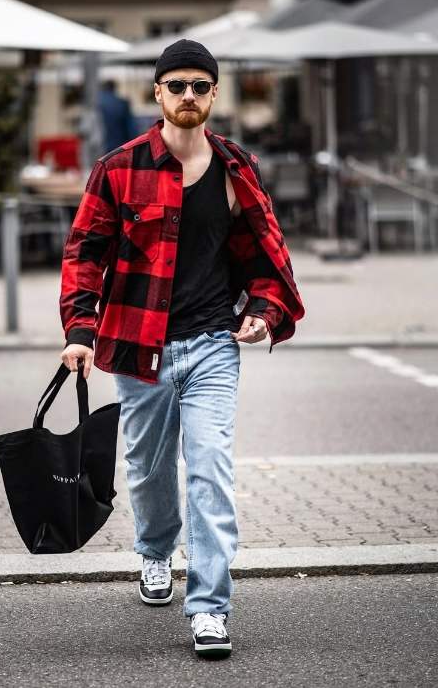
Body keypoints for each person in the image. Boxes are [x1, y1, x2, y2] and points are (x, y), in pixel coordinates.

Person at [59, 39, 305, 659]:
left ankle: (210, 608)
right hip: (139, 349)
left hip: (212, 346)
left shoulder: (236, 169)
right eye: (178, 86)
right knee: (145, 470)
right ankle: (154, 551)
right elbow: (85, 254)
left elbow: (266, 257)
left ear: (214, 94)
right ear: (158, 93)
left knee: (210, 472)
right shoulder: (119, 169)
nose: (189, 95)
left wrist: (266, 313)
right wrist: (80, 332)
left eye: (200, 85)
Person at [97, 79, 138, 153]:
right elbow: (131, 128)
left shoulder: (97, 104)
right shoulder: (122, 103)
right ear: (114, 88)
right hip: (118, 145)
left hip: (101, 146)